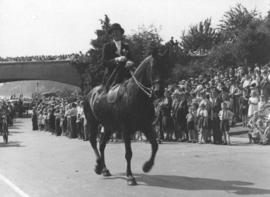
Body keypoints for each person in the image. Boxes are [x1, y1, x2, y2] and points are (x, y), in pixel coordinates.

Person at [102, 23, 134, 90]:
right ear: (111, 34)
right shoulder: (107, 46)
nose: (116, 34)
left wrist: (130, 62)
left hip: (126, 74)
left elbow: (131, 58)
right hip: (112, 75)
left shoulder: (126, 46)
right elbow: (104, 62)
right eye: (114, 32)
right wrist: (116, 59)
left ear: (121, 34)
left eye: (117, 32)